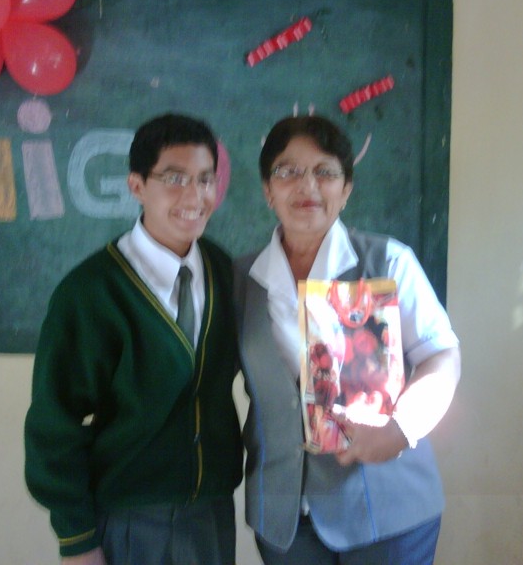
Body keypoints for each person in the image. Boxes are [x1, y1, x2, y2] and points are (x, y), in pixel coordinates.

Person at [234, 114, 461, 565]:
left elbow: (442, 355)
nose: (307, 186)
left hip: (386, 507)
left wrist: (403, 428)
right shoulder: (241, 279)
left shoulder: (388, 262)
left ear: (346, 190)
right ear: (267, 190)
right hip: (283, 515)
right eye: (288, 171)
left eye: (325, 172)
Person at [24, 113, 243, 565]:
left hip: (211, 513)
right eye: (174, 178)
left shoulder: (224, 272)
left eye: (206, 179)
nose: (195, 196)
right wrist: (76, 538)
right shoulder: (91, 292)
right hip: (129, 518)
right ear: (137, 186)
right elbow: (54, 423)